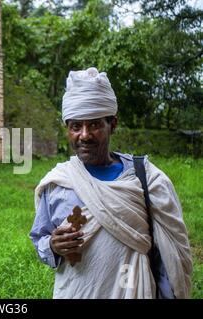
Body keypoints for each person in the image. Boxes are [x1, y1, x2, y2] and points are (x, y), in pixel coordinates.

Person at [29, 67, 192, 299]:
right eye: (76, 126)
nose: (84, 135)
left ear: (112, 124)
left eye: (94, 125)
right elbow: (40, 239)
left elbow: (173, 256)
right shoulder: (58, 183)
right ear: (68, 130)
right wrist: (53, 246)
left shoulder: (147, 180)